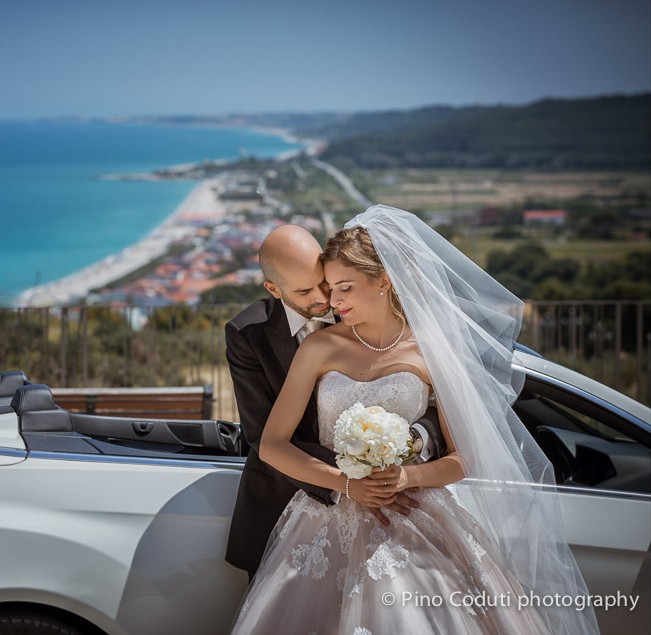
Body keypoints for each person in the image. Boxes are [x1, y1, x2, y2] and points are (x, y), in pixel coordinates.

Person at [229, 205, 598, 634]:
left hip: (413, 514)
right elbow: (270, 441)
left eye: (341, 287)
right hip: (320, 517)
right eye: (327, 289)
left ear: (384, 281)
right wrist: (348, 484)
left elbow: (465, 457)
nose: (331, 302)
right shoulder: (317, 346)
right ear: (274, 288)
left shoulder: (431, 354)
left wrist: (407, 477)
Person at [224, 224, 430, 579]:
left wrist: (406, 447)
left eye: (327, 282)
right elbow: (262, 435)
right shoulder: (247, 334)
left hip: (395, 501)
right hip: (285, 498)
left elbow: (435, 409)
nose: (327, 299)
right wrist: (353, 478)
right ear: (274, 289)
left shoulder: (358, 303)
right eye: (306, 290)